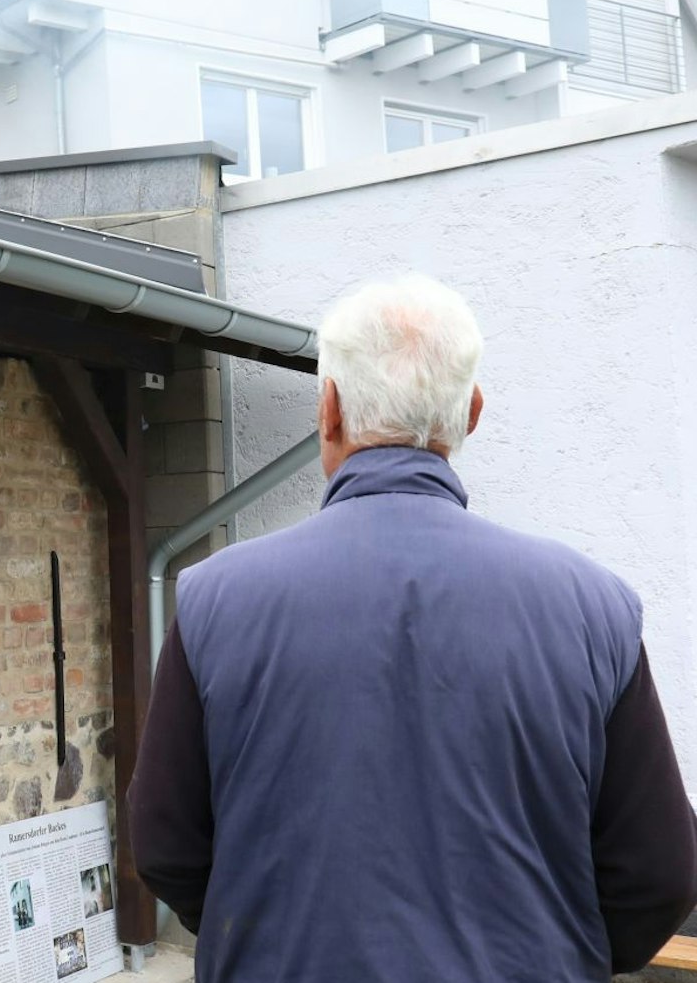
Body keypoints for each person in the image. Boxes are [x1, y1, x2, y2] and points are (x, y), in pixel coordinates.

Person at [129, 275, 697, 981]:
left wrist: (266, 937)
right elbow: (661, 872)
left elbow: (165, 844)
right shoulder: (594, 606)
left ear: (328, 410)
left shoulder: (217, 599)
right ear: (472, 413)